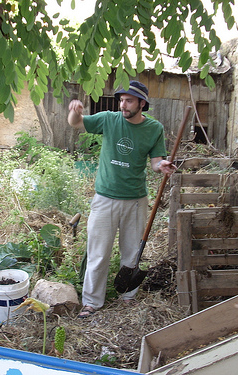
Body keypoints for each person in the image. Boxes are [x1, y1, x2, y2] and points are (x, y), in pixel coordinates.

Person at [68, 80, 176, 318]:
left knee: (131, 252)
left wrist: (162, 165)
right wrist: (74, 113)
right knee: (98, 252)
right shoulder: (109, 119)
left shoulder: (154, 129)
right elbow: (76, 124)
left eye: (128, 101)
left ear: (141, 103)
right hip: (105, 198)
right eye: (121, 100)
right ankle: (92, 302)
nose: (123, 105)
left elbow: (156, 161)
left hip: (136, 200)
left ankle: (128, 296)